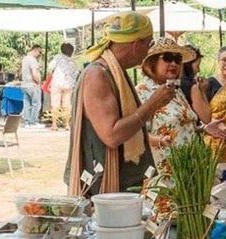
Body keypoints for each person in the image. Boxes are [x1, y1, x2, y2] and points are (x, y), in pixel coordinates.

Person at [64, 11, 177, 196]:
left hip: (120, 184)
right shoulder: (97, 75)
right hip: (102, 187)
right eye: (148, 44)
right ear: (136, 44)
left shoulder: (115, 72)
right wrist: (152, 105)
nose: (148, 51)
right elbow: (112, 135)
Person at [136, 38, 226, 220]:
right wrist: (159, 141)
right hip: (163, 174)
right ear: (152, 62)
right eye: (167, 58)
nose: (173, 64)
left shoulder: (175, 90)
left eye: (177, 60)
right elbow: (135, 134)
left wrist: (203, 128)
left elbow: (180, 126)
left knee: (189, 221)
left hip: (188, 171)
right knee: (166, 224)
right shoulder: (142, 91)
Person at [48, 43, 79, 131]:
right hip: (69, 84)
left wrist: (51, 77)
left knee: (55, 104)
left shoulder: (57, 58)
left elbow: (50, 68)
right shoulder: (72, 61)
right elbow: (76, 73)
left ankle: (54, 125)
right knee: (67, 104)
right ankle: (67, 125)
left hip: (56, 83)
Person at [179, 44, 211, 122]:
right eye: (197, 66)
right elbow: (206, 118)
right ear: (188, 64)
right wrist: (202, 92)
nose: (199, 70)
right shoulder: (192, 87)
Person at [21, 44, 43, 127]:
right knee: (36, 104)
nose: (39, 54)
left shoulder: (25, 59)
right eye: (39, 52)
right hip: (33, 85)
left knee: (27, 103)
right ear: (35, 50)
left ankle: (26, 122)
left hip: (25, 85)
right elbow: (34, 73)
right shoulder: (33, 60)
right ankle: (33, 122)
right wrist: (38, 81)